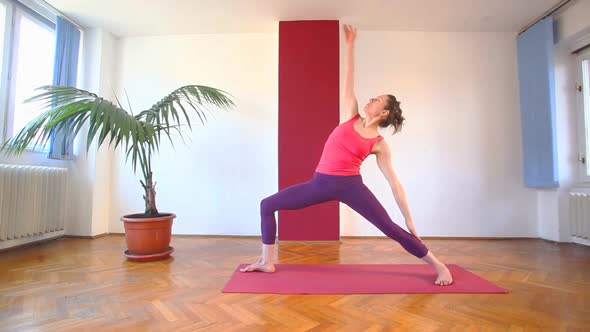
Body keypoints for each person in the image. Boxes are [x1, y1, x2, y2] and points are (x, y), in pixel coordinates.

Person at [240, 24, 453, 286]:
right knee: (267, 205)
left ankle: (439, 266)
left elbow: (394, 183)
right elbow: (349, 77)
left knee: (389, 227)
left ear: (384, 112)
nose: (370, 100)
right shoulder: (350, 115)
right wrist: (350, 44)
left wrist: (409, 218)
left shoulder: (379, 143)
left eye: (376, 99)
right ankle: (266, 261)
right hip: (320, 184)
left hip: (351, 187)